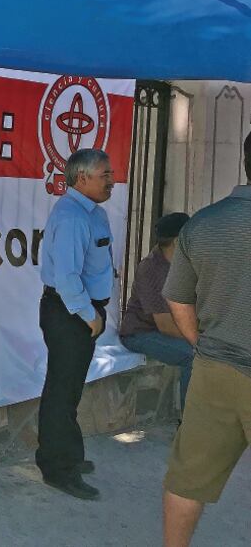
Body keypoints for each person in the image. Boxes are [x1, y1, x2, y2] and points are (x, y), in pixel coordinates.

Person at [161, 130, 251, 547]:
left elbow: (177, 299)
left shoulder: (203, 224)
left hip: (214, 369)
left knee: (188, 478)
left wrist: (203, 343)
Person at [36, 148, 115, 501]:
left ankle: (67, 454)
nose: (111, 180)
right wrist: (90, 316)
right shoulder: (72, 217)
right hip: (71, 314)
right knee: (61, 393)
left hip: (83, 313)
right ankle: (58, 469)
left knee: (69, 393)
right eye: (104, 175)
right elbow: (67, 278)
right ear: (81, 178)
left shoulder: (94, 213)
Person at [119, 212, 194, 410]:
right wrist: (199, 340)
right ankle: (189, 424)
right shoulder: (151, 268)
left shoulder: (184, 263)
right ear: (178, 241)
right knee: (194, 355)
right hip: (141, 333)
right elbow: (165, 326)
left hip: (174, 329)